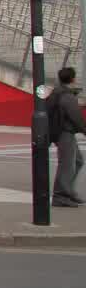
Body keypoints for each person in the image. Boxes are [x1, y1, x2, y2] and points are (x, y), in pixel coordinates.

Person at [49, 67, 86, 208]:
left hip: (61, 131)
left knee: (77, 161)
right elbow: (75, 117)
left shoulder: (58, 92)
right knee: (67, 165)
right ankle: (61, 195)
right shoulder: (67, 96)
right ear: (73, 79)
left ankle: (68, 191)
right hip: (65, 132)